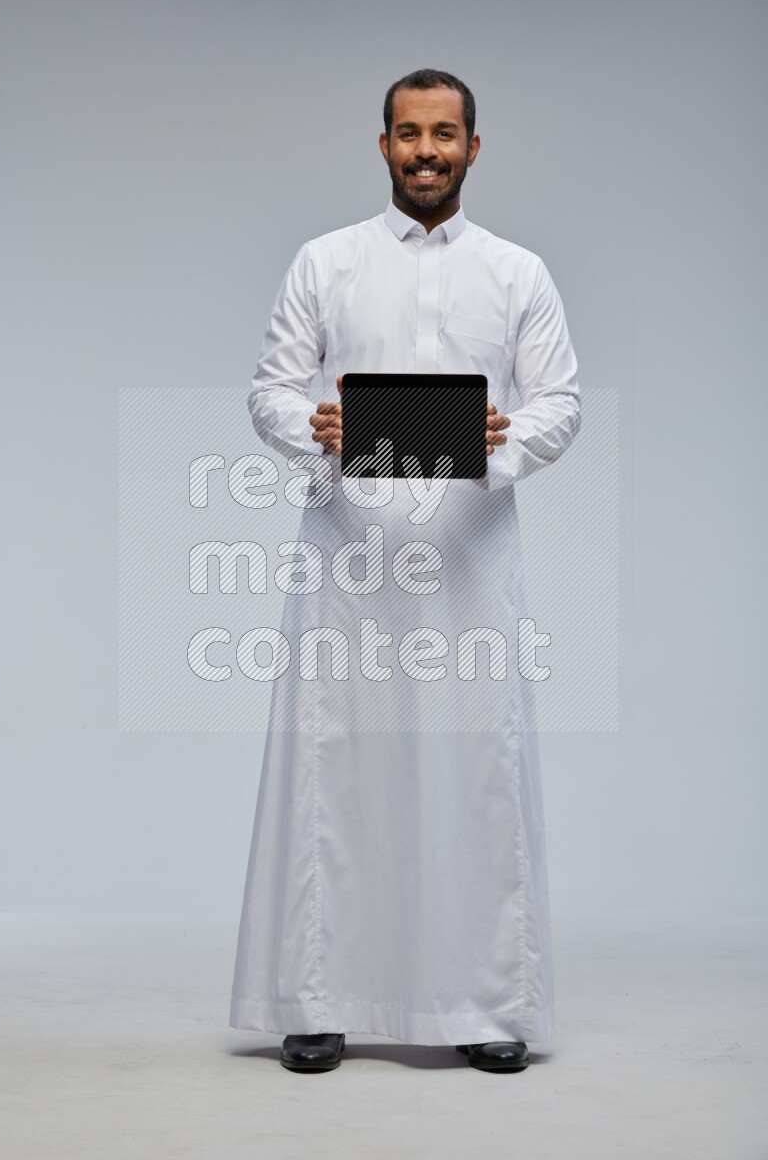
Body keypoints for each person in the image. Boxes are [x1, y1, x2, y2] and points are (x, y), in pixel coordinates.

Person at [229, 68, 581, 1074]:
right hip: (350, 554)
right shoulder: (326, 261)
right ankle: (318, 996)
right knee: (336, 767)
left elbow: (560, 401)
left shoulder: (517, 272)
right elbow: (269, 387)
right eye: (409, 133)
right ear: (382, 143)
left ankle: (484, 1002)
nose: (427, 150)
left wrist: (503, 440)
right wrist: (314, 424)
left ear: (473, 146)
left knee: (475, 771)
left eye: (444, 134)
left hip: (469, 558)